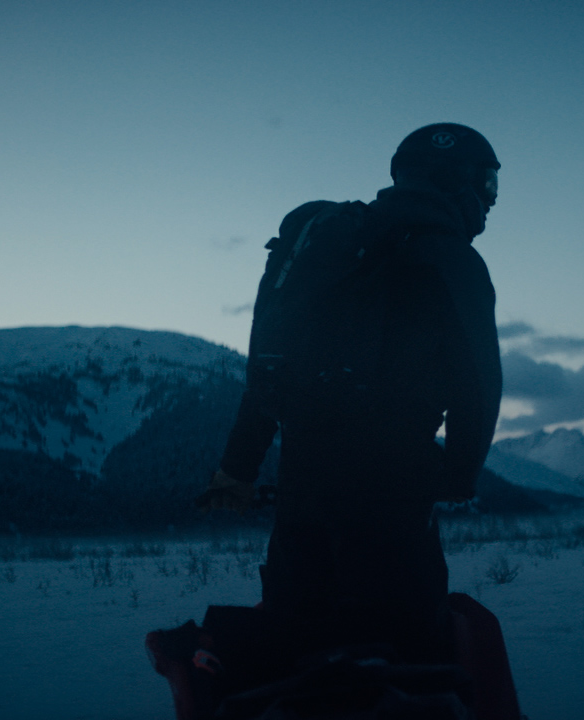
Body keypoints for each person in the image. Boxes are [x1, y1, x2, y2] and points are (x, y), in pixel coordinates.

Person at [205, 123, 504, 668]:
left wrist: (238, 467)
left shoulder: (329, 252)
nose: (491, 201)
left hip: (301, 489)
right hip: (393, 493)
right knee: (406, 656)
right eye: (488, 184)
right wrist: (456, 477)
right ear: (456, 181)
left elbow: (270, 369)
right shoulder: (453, 261)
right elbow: (478, 386)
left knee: (297, 646)